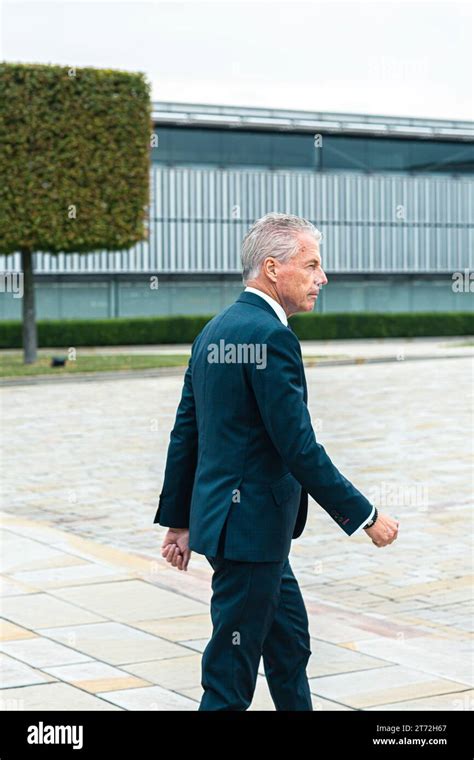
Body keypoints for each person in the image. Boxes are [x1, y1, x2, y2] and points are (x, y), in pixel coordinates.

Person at [153, 212, 399, 711]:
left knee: (289, 647)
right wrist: (366, 516)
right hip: (249, 534)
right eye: (311, 266)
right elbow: (299, 448)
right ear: (272, 268)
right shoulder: (271, 337)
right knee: (229, 677)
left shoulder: (215, 331)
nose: (322, 278)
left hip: (240, 532)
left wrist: (180, 520)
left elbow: (187, 434)